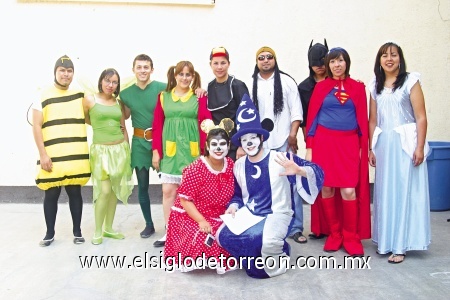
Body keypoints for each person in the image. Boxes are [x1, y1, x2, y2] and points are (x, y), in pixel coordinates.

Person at [217, 95, 324, 279]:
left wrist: (300, 170)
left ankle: (281, 251)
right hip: (250, 214)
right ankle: (255, 252)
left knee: (260, 258)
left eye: (253, 137)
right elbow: (236, 195)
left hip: (277, 214)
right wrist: (234, 206)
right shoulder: (239, 165)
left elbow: (317, 170)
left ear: (261, 137)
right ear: (240, 143)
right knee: (222, 236)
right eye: (244, 139)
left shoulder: (279, 158)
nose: (249, 143)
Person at [305, 47, 371, 256]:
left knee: (349, 190)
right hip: (325, 142)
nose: (336, 65)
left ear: (346, 63)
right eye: (332, 61)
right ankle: (335, 234)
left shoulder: (358, 88)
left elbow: (362, 119)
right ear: (328, 65)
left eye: (340, 60)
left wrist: (364, 148)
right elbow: (312, 119)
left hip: (349, 144)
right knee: (327, 189)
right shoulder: (321, 87)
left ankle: (350, 236)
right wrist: (309, 147)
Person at [369, 42, 430, 264]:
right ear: (380, 60)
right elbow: (373, 120)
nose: (389, 59)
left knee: (404, 192)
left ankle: (401, 245)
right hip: (385, 145)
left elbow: (421, 116)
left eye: (393, 55)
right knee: (386, 192)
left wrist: (420, 146)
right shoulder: (375, 85)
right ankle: (386, 241)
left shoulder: (410, 82)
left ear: (400, 58)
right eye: (384, 55)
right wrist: (371, 147)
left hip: (405, 144)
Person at [152, 61, 212, 247]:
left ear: (193, 77)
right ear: (175, 76)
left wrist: (206, 151)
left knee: (192, 194)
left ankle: (192, 231)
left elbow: (206, 122)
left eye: (189, 75)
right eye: (181, 74)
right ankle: (170, 231)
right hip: (170, 151)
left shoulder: (199, 97)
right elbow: (157, 125)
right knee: (168, 191)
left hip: (191, 151)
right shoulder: (163, 97)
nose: (185, 78)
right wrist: (156, 151)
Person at [32, 55, 90, 247]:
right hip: (53, 155)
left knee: (75, 193)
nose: (66, 74)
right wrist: (43, 155)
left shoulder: (79, 95)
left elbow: (91, 117)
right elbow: (37, 126)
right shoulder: (42, 94)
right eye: (62, 70)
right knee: (51, 194)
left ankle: (78, 232)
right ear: (55, 72)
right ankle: (49, 233)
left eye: (69, 71)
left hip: (74, 154)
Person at [164, 119, 235, 273]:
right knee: (205, 239)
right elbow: (185, 200)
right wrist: (201, 220)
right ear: (207, 147)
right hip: (191, 214)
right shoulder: (196, 169)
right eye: (214, 144)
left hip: (218, 215)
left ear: (228, 146)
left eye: (222, 144)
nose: (218, 148)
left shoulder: (230, 165)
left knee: (230, 238)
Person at [251, 46, 306, 244]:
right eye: (261, 58)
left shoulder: (287, 81)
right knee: (266, 185)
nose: (265, 60)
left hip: (284, 142)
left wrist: (292, 135)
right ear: (257, 62)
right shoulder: (252, 84)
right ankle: (268, 224)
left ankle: (296, 227)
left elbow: (296, 112)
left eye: (269, 57)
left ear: (275, 59)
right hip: (262, 145)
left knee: (291, 184)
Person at [83, 68, 134, 245]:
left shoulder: (118, 102)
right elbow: (86, 119)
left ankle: (109, 228)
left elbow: (123, 126)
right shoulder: (90, 99)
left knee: (113, 192)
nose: (110, 85)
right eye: (107, 81)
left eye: (114, 82)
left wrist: (127, 147)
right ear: (101, 81)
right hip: (100, 152)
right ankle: (98, 230)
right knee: (103, 191)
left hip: (119, 150)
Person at [119, 54, 167, 239]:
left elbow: (183, 91)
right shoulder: (126, 94)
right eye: (139, 67)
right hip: (139, 143)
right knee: (143, 186)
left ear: (152, 69)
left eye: (146, 67)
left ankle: (171, 223)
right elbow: (124, 116)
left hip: (160, 142)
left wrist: (199, 89)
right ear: (133, 70)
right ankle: (149, 224)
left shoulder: (162, 88)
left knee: (169, 186)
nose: (142, 71)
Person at [298, 40, 329, 240]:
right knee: (317, 180)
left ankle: (337, 227)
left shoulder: (337, 83)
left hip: (337, 139)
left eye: (322, 60)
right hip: (315, 139)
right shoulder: (304, 87)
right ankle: (319, 227)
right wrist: (308, 142)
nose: (318, 65)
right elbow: (303, 119)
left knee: (336, 182)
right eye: (314, 61)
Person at [207, 46, 249, 160]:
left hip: (235, 145)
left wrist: (242, 145)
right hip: (217, 145)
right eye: (215, 63)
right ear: (210, 64)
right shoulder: (209, 87)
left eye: (223, 63)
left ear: (229, 64)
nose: (219, 67)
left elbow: (247, 117)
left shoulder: (238, 86)